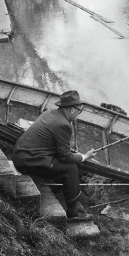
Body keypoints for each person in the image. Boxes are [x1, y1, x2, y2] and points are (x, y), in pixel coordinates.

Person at [13, 90, 97, 222]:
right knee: (71, 168)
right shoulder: (63, 125)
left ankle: (61, 188)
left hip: (21, 154)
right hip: (27, 161)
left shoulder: (50, 113)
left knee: (64, 163)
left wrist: (71, 153)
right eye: (78, 110)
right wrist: (84, 157)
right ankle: (73, 214)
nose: (78, 113)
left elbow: (59, 149)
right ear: (71, 109)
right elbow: (65, 157)